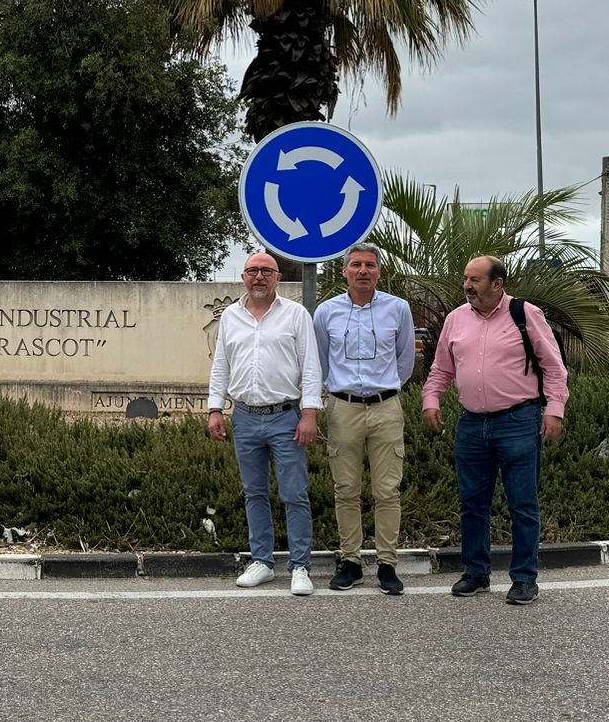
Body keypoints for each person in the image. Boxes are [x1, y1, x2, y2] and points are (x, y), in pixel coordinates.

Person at [421, 255, 570, 606]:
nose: (467, 286)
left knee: (523, 504)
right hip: (471, 424)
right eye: (465, 279)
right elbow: (441, 368)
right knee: (473, 504)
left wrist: (555, 409)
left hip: (519, 421)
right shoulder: (456, 319)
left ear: (497, 283)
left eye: (475, 280)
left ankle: (523, 579)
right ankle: (476, 574)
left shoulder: (524, 314)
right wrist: (431, 400)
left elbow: (554, 367)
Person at [206, 251, 323, 596]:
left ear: (277, 277)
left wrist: (310, 412)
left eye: (266, 271)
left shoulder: (296, 315)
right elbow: (221, 365)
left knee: (294, 493)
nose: (259, 276)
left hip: (286, 417)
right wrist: (215, 408)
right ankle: (263, 562)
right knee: (254, 492)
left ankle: (300, 567)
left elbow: (311, 366)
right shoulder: (230, 316)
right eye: (252, 271)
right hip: (244, 417)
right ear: (243, 277)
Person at [313, 244, 416, 594]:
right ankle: (351, 561)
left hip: (386, 407)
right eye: (355, 264)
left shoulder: (398, 309)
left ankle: (387, 563)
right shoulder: (326, 312)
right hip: (343, 409)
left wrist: (382, 391)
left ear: (379, 272)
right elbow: (321, 362)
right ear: (344, 271)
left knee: (387, 490)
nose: (363, 271)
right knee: (346, 490)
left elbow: (405, 361)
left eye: (370, 265)